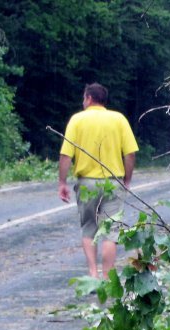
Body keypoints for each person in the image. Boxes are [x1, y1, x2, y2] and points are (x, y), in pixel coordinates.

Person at [58, 83, 139, 278]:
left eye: (84, 98)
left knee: (89, 228)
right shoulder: (118, 119)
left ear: (89, 98)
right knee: (111, 232)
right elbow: (130, 154)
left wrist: (62, 182)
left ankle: (93, 274)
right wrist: (126, 179)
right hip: (113, 182)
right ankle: (108, 276)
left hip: (87, 183)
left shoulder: (77, 120)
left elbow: (66, 155)